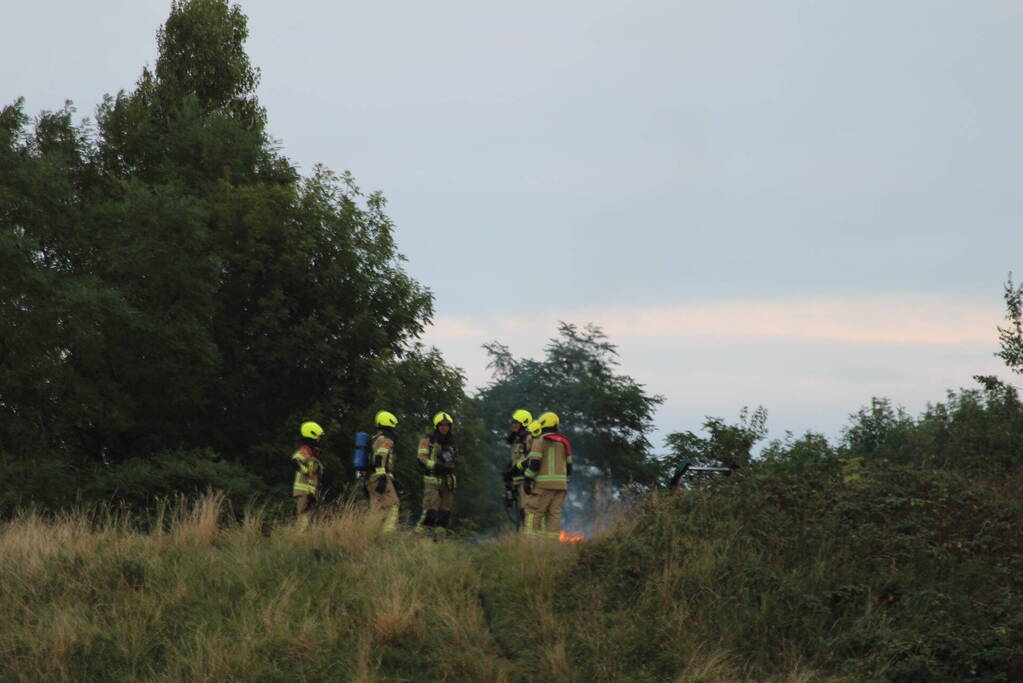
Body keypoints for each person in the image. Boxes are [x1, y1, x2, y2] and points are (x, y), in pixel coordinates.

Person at [522, 412, 571, 539]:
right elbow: (569, 466)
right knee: (554, 515)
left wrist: (528, 478)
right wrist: (566, 483)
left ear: (543, 424)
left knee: (533, 512)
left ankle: (530, 544)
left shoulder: (540, 440)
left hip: (543, 485)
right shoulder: (565, 442)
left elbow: (534, 464)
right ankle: (551, 546)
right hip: (561, 486)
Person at [415, 412, 457, 540]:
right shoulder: (428, 439)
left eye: (447, 425)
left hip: (447, 480)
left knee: (445, 513)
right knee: (430, 511)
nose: (444, 427)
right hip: (432, 478)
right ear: (437, 426)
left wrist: (449, 465)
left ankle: (439, 541)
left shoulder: (451, 441)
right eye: (442, 425)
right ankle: (418, 538)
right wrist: (435, 465)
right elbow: (421, 457)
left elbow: (453, 460)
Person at [368, 411, 400, 533]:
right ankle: (388, 534)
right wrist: (382, 476)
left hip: (370, 477)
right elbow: (380, 457)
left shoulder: (374, 438)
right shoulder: (386, 439)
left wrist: (391, 478)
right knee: (393, 505)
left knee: (376, 508)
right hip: (379, 477)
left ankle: (372, 534)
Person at [292, 421, 325, 531]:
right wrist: (306, 471)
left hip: (310, 492)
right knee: (304, 519)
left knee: (311, 520)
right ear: (312, 435)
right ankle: (300, 541)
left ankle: (307, 542)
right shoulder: (304, 451)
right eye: (318, 437)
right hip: (303, 492)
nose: (319, 439)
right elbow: (296, 460)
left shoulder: (312, 453)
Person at [503, 409, 533, 528]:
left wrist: (515, 469)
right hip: (517, 480)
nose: (514, 425)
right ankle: (522, 536)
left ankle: (528, 537)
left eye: (517, 422)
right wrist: (508, 470)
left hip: (525, 479)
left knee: (526, 510)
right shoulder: (517, 439)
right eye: (513, 422)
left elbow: (531, 459)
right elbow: (517, 458)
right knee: (520, 510)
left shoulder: (528, 438)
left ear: (524, 423)